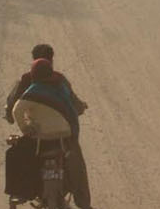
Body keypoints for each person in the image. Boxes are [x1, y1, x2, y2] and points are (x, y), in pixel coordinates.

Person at [5, 43, 94, 209]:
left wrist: (22, 125)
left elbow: (13, 107)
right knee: (78, 169)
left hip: (37, 138)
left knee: (18, 155)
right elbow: (73, 103)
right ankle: (84, 204)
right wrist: (80, 107)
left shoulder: (26, 81)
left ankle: (21, 192)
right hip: (64, 138)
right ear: (52, 60)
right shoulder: (60, 80)